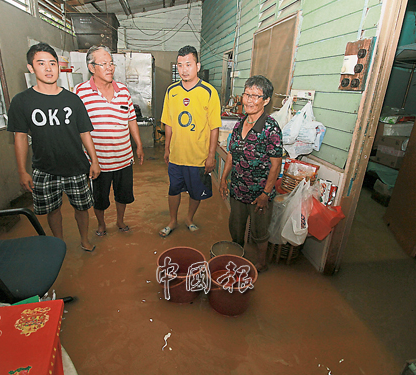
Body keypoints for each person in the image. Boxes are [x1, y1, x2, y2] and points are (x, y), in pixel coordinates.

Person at [7, 42, 100, 252]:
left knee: (82, 207)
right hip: (44, 168)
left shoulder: (73, 100)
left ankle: (84, 239)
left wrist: (94, 161)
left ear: (58, 66)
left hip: (76, 166)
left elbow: (84, 132)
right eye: (41, 63)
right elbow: (20, 138)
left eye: (52, 63)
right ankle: (59, 242)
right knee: (52, 209)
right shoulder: (22, 102)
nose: (48, 69)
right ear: (31, 68)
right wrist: (22, 171)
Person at [74, 45, 144, 236]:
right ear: (91, 67)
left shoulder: (122, 90)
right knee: (99, 198)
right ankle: (101, 223)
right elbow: (78, 128)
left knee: (123, 195)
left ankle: (120, 221)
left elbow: (131, 119)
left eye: (111, 63)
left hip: (123, 157)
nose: (109, 67)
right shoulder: (80, 92)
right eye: (103, 64)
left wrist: (138, 145)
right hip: (98, 161)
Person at [219, 75, 282, 272]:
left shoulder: (271, 128)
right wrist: (223, 179)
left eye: (256, 96)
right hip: (238, 189)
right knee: (236, 228)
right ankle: (238, 257)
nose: (249, 100)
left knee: (259, 232)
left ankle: (262, 263)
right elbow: (231, 154)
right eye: (247, 94)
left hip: (258, 194)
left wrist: (265, 194)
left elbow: (276, 165)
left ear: (266, 100)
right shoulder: (239, 124)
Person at [159, 45, 221, 237]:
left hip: (199, 157)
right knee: (173, 190)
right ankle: (172, 220)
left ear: (197, 66)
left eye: (188, 64)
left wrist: (211, 156)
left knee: (196, 192)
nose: (184, 69)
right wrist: (167, 148)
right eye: (180, 65)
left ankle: (189, 218)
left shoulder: (209, 92)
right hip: (177, 155)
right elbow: (168, 123)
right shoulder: (171, 91)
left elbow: (214, 127)